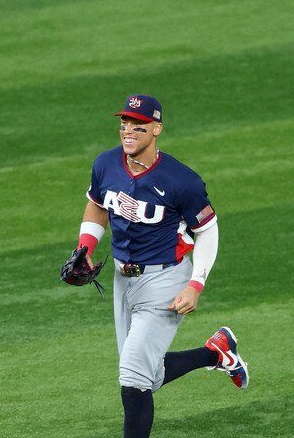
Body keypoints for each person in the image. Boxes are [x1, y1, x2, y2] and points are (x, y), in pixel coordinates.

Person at [72, 94, 249, 437]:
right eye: (125, 123)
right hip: (123, 281)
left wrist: (196, 283)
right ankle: (216, 353)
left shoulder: (181, 180)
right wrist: (85, 245)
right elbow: (96, 205)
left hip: (166, 279)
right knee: (146, 375)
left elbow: (207, 231)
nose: (129, 130)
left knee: (132, 377)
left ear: (157, 129)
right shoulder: (106, 164)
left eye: (138, 125)